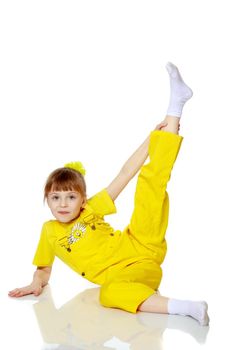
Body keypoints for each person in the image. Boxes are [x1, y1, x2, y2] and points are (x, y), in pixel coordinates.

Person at [8, 62, 209, 326]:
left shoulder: (91, 208)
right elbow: (44, 269)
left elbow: (125, 173)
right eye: (55, 197)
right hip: (133, 273)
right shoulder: (49, 231)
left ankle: (176, 105)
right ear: (47, 200)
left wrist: (151, 139)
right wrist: (35, 284)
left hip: (140, 244)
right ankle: (189, 308)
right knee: (108, 294)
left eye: (71, 196)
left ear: (82, 199)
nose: (63, 204)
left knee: (150, 185)